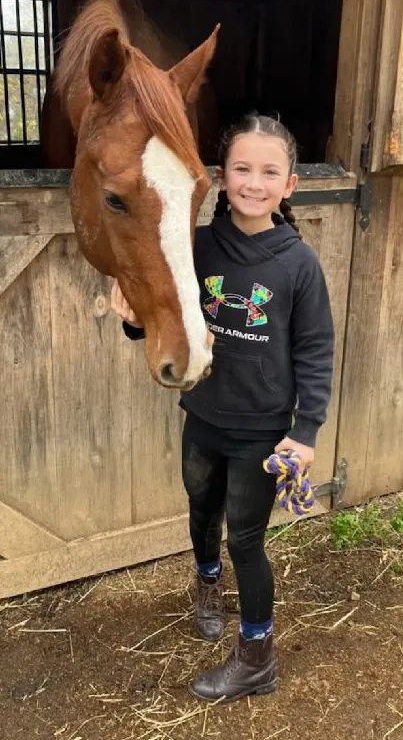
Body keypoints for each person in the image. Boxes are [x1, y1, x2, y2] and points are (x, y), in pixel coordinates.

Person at [111, 112, 334, 703]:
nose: (253, 182)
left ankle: (257, 654)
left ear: (290, 185)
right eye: (242, 168)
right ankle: (207, 586)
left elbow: (315, 351)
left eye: (269, 172)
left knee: (247, 540)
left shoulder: (298, 265)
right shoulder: (198, 246)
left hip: (261, 431)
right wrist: (135, 323)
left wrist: (306, 431)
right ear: (220, 175)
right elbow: (169, 315)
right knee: (200, 508)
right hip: (203, 415)